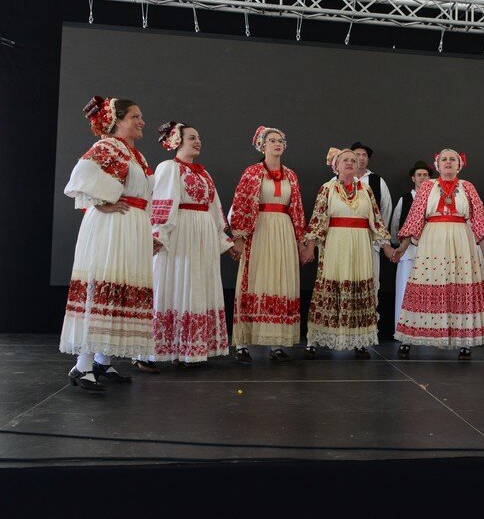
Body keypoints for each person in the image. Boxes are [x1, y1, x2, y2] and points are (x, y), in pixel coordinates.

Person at [60, 96, 155, 391]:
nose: (141, 122)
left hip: (132, 225)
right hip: (112, 226)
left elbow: (144, 195)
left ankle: (102, 360)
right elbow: (81, 175)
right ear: (117, 120)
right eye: (135, 117)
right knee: (105, 284)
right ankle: (82, 366)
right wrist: (101, 202)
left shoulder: (136, 155)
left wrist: (150, 232)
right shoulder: (108, 147)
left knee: (122, 288)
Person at [133, 122, 234, 370]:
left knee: (196, 284)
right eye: (191, 137)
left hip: (202, 235)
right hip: (181, 233)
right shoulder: (170, 168)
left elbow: (214, 208)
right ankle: (150, 352)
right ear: (177, 141)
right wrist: (157, 234)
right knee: (174, 282)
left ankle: (187, 350)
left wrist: (224, 239)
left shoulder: (203, 173)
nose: (197, 141)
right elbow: (162, 202)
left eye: (199, 138)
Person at [391, 148, 484, 360]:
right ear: (438, 165)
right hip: (433, 239)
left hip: (461, 239)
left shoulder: (467, 186)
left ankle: (464, 342)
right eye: (444, 159)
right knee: (426, 283)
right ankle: (409, 338)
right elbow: (415, 217)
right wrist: (402, 247)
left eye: (452, 159)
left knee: (460, 284)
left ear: (459, 165)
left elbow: (479, 219)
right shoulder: (427, 186)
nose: (448, 162)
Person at [302, 148, 395, 358]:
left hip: (360, 245)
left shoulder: (366, 190)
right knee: (330, 289)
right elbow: (317, 220)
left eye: (353, 160)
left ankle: (359, 341)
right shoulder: (327, 188)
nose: (351, 163)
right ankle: (314, 340)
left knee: (358, 288)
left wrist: (387, 247)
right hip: (336, 244)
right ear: (336, 165)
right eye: (345, 160)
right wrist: (309, 248)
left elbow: (376, 221)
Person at [229, 126, 307, 363]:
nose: (277, 143)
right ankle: (242, 344)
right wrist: (239, 236)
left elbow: (297, 208)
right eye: (272, 140)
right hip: (259, 229)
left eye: (280, 140)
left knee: (281, 281)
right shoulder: (253, 172)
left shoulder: (291, 175)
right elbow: (241, 203)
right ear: (262, 146)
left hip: (283, 229)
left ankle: (277, 344)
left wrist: (300, 240)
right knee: (255, 279)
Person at [390, 160, 434, 353]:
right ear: (413, 178)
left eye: (425, 175)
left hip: (431, 251)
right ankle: (402, 330)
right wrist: (399, 245)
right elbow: (396, 224)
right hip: (409, 252)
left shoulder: (435, 198)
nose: (422, 178)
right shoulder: (405, 199)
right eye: (419, 175)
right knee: (404, 290)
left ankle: (429, 330)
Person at [350, 142, 393, 302]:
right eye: (357, 155)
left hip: (370, 238)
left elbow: (386, 209)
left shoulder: (377, 180)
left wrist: (380, 238)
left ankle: (369, 314)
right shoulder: (338, 179)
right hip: (344, 236)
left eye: (364, 155)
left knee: (370, 276)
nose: (361, 158)